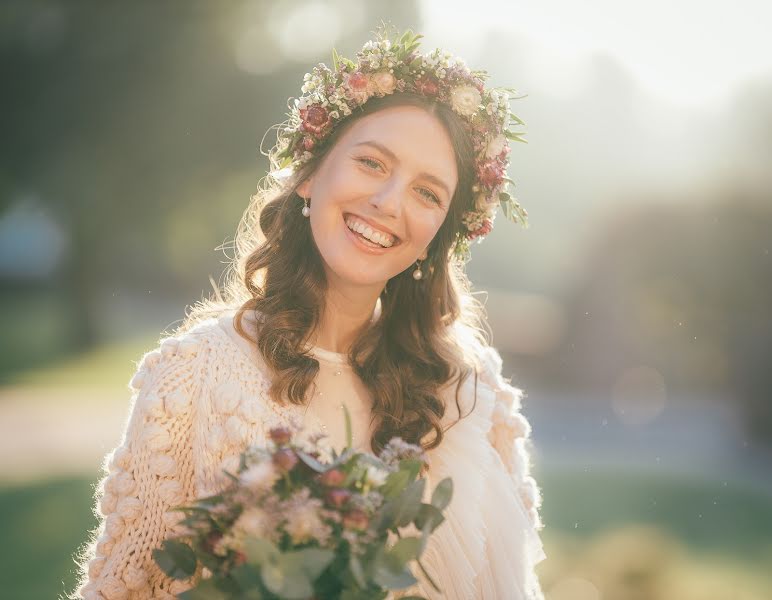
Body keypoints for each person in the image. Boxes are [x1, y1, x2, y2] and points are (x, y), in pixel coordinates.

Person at [67, 26, 546, 600]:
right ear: (311, 174)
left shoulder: (470, 392)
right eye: (372, 163)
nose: (389, 203)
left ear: (437, 238)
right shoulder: (190, 378)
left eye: (427, 193)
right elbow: (123, 589)